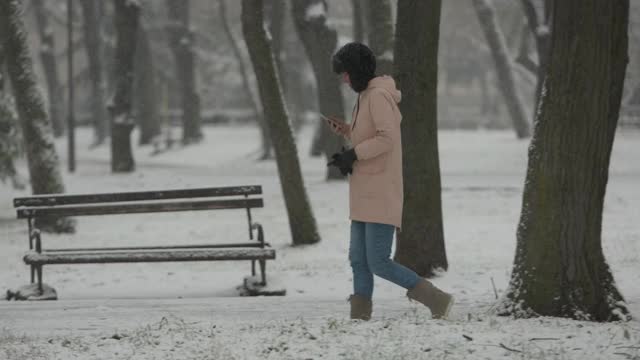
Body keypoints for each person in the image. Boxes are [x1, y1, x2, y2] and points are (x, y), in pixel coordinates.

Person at [326, 42, 454, 321]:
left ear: (357, 70)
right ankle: (359, 317)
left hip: (381, 191)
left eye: (346, 73)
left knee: (378, 262)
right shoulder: (364, 97)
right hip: (364, 191)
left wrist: (353, 154)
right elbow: (368, 136)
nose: (344, 79)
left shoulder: (379, 97)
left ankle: (437, 299)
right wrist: (347, 132)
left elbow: (387, 138)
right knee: (358, 260)